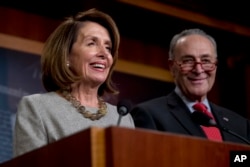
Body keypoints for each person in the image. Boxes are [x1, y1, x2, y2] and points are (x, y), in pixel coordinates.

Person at [13, 8, 135, 157]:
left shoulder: (123, 118)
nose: (104, 54)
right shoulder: (38, 108)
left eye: (108, 48)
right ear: (67, 56)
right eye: (91, 43)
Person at [131, 28, 250, 144]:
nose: (198, 70)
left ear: (216, 65)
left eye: (206, 61)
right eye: (188, 61)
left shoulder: (240, 125)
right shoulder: (150, 115)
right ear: (172, 67)